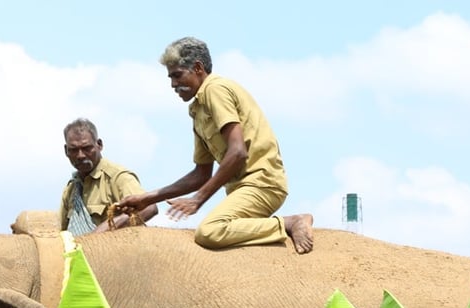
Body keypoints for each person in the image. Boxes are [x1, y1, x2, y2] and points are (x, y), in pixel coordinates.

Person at [117, 36, 314, 254]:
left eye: (177, 75)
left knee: (210, 230)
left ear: (198, 68)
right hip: (240, 190)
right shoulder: (197, 110)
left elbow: (238, 152)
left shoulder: (215, 90)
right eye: (170, 78)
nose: (173, 84)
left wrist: (198, 199)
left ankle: (289, 222)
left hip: (261, 183)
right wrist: (147, 198)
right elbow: (201, 174)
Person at [59, 118, 157, 235]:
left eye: (86, 148)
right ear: (66, 151)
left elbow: (149, 208)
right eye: (74, 150)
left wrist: (107, 228)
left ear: (99, 145)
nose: (80, 155)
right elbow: (61, 230)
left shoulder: (118, 177)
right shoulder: (71, 189)